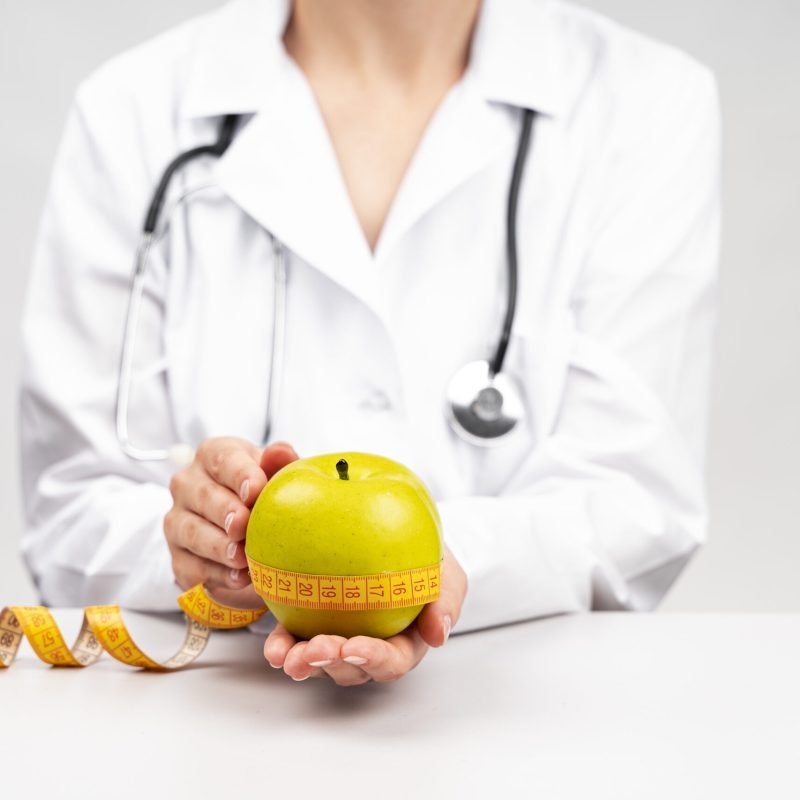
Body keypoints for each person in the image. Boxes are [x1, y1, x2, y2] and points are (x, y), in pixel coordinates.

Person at [19, 0, 720, 685]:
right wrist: (197, 550)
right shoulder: (131, 110)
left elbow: (634, 504)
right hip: (208, 733)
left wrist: (420, 569)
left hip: (516, 724)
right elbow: (70, 507)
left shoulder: (645, 102)